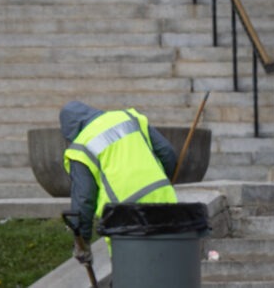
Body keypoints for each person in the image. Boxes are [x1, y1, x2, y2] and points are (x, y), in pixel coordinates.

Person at [59, 100, 182, 250]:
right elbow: (167, 152)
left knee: (133, 269)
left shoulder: (80, 147)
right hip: (163, 198)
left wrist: (82, 241)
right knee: (171, 262)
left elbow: (84, 199)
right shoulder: (128, 117)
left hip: (122, 217)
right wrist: (161, 186)